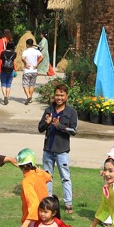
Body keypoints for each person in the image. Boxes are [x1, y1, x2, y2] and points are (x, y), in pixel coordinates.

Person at [37, 83, 79, 214]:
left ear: (66, 97)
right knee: (47, 177)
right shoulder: (49, 110)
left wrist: (59, 125)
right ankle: (48, 202)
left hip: (62, 150)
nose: (59, 97)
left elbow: (73, 131)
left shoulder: (71, 112)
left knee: (65, 177)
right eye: (57, 95)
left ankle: (68, 203)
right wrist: (47, 123)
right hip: (48, 150)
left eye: (61, 95)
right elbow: (40, 128)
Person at [20, 39, 43, 105]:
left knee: (25, 84)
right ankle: (30, 98)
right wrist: (37, 64)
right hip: (34, 70)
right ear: (32, 44)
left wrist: (26, 63)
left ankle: (28, 96)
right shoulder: (36, 51)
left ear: (27, 44)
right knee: (32, 84)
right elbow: (42, 56)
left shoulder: (25, 51)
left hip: (27, 71)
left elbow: (22, 58)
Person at [0, 41, 17, 105]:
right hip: (11, 70)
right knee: (8, 84)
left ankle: (5, 96)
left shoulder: (3, 53)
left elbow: (1, 59)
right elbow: (13, 60)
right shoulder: (14, 53)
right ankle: (7, 97)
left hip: (3, 70)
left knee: (3, 83)